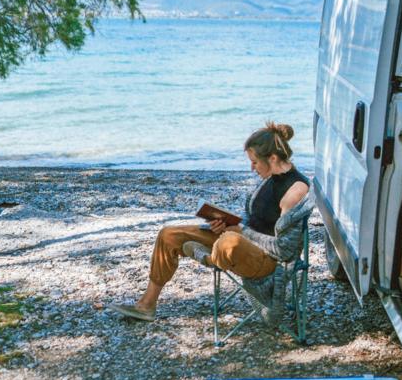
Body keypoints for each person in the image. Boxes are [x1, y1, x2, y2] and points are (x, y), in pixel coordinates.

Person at [110, 122, 310, 322]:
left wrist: (241, 231)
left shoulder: (295, 190)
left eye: (255, 162)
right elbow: (252, 220)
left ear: (273, 158)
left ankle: (211, 258)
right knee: (168, 235)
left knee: (229, 242)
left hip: (266, 261)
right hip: (239, 243)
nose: (251, 168)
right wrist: (225, 222)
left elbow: (284, 250)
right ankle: (146, 305)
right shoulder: (268, 178)